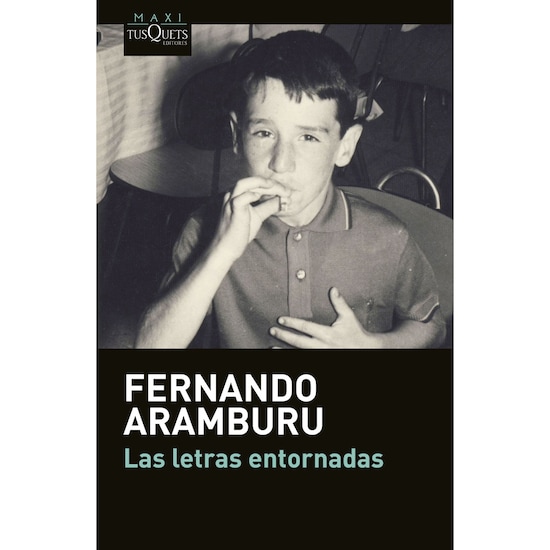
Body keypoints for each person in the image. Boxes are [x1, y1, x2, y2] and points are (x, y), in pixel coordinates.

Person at [135, 30, 446, 349]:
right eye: (264, 133)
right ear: (237, 136)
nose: (281, 164)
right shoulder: (205, 230)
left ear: (345, 146)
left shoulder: (386, 236)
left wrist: (373, 346)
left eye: (308, 138)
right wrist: (221, 252)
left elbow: (431, 326)